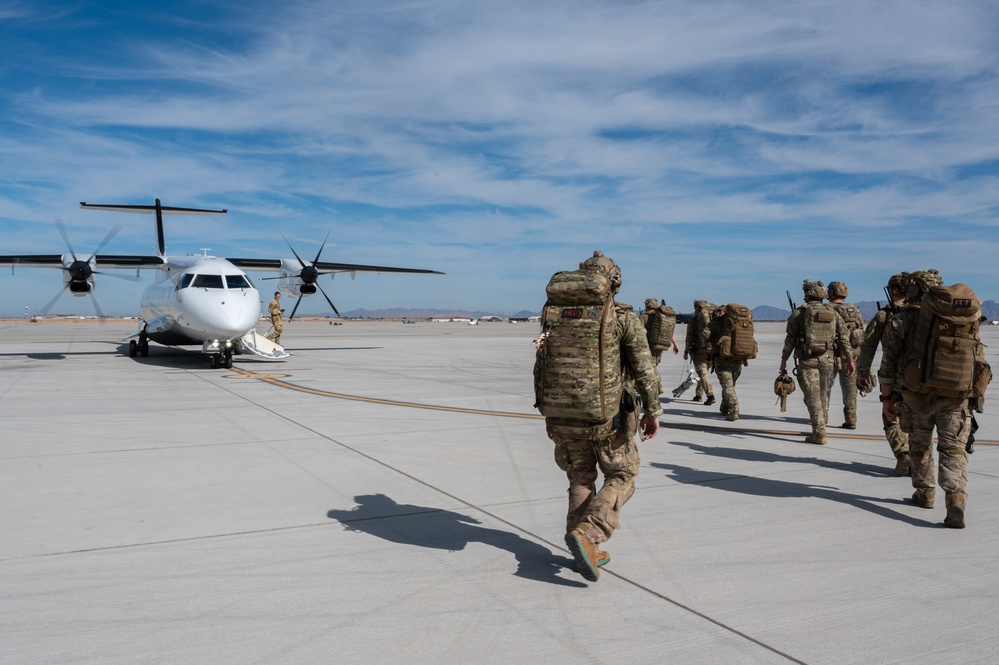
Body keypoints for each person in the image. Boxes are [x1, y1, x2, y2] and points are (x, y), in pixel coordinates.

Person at [534, 251, 662, 582]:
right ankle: (589, 536)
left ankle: (581, 549)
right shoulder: (621, 316)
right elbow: (644, 369)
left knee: (579, 478)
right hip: (607, 419)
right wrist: (652, 411)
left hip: (562, 415)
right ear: (612, 282)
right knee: (623, 475)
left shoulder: (554, 314)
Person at [878, 270, 988, 528]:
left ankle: (925, 492)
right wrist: (976, 395)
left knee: (920, 443)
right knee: (953, 448)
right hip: (956, 394)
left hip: (916, 395)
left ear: (913, 289)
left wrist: (886, 398)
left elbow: (888, 363)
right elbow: (978, 357)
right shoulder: (963, 317)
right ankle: (956, 497)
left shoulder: (903, 319)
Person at [780, 280, 855, 445]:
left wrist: (784, 360)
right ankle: (823, 422)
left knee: (813, 397)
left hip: (808, 361)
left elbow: (790, 339)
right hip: (827, 360)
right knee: (823, 395)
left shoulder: (800, 313)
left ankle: (819, 432)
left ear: (808, 294)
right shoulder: (832, 313)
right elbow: (843, 338)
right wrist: (849, 359)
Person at [856, 273, 911, 475]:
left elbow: (868, 345)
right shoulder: (924, 314)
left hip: (893, 377)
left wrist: (862, 373)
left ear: (895, 290)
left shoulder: (885, 315)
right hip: (921, 378)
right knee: (919, 421)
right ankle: (921, 464)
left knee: (890, 417)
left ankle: (903, 454)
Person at [826, 281, 864, 429]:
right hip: (851, 357)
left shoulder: (826, 309)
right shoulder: (854, 309)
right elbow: (860, 330)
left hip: (831, 355)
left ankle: (823, 417)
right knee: (850, 389)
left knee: (825, 388)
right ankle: (851, 418)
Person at [708, 305, 753, 421]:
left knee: (727, 386)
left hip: (723, 359)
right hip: (738, 358)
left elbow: (705, 334)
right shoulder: (743, 321)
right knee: (730, 384)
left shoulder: (718, 322)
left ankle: (734, 409)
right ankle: (724, 407)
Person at [640, 297, 680, 396]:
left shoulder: (644, 317)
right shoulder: (662, 317)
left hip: (649, 346)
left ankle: (658, 388)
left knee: (651, 369)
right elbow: (669, 333)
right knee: (654, 367)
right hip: (661, 346)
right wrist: (675, 345)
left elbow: (639, 333)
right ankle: (657, 387)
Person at [683, 300, 717, 406]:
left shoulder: (694, 320)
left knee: (703, 374)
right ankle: (698, 395)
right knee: (703, 374)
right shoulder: (714, 320)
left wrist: (686, 351)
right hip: (711, 351)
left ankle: (710, 396)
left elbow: (689, 337)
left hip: (699, 351)